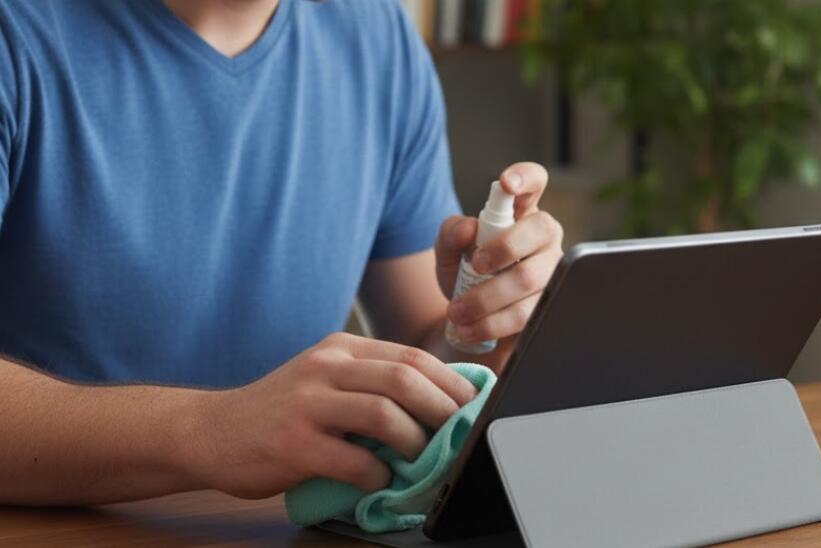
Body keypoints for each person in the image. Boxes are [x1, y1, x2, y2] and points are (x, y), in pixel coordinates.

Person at [0, 0, 563, 505]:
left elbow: (427, 343)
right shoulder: (20, 32)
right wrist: (210, 430)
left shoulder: (376, 35)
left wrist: (496, 328)